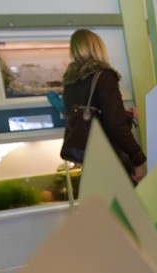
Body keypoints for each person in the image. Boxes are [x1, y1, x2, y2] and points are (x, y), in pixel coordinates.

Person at [61, 29, 146, 184]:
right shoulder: (104, 76)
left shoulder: (69, 82)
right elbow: (116, 125)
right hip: (111, 157)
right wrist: (138, 159)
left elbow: (91, 114)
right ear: (97, 47)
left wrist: (122, 112)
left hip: (90, 160)